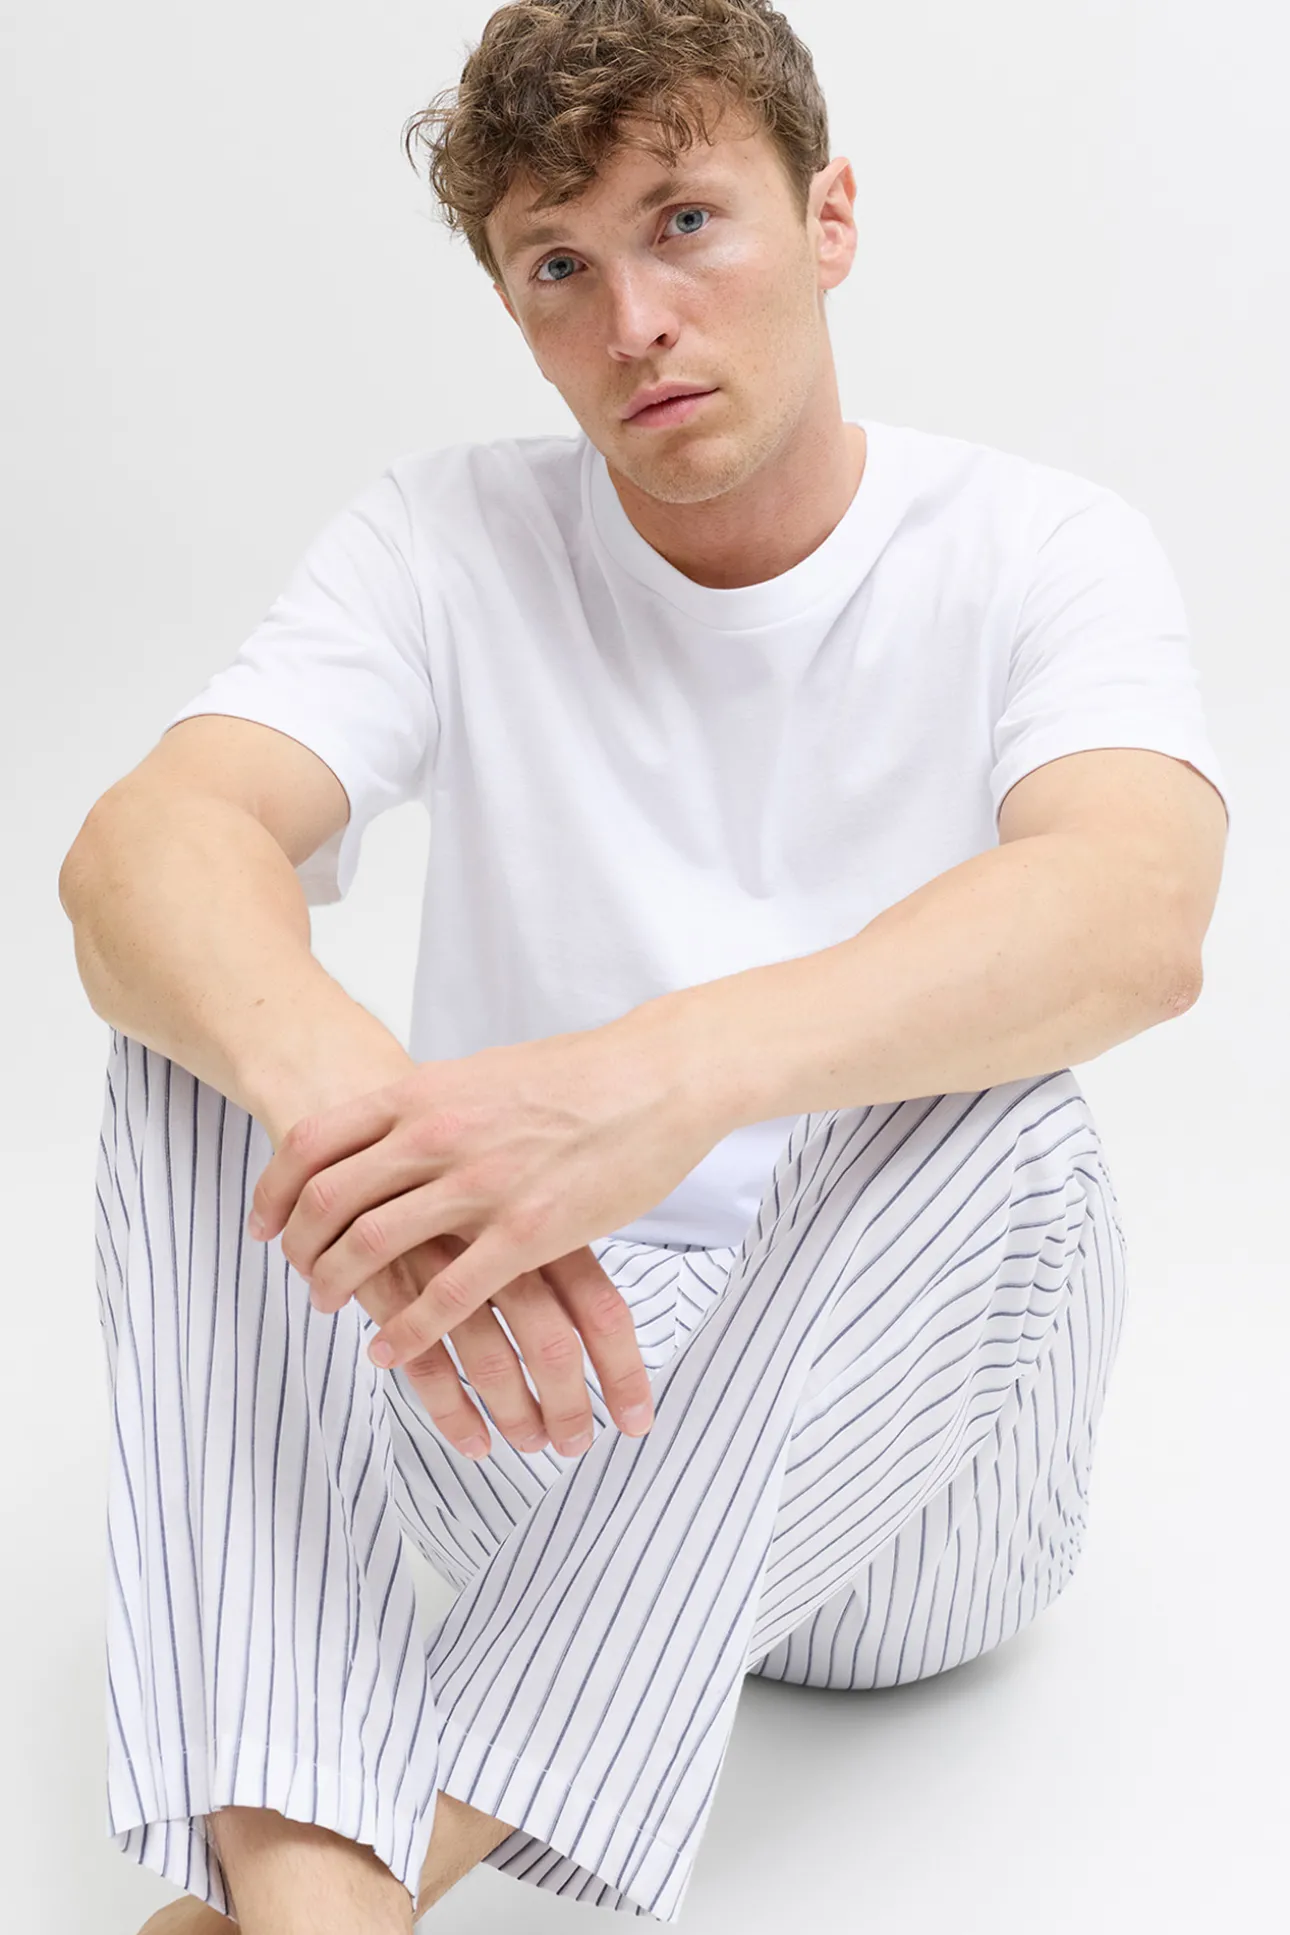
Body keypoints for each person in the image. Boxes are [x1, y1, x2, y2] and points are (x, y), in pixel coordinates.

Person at [59, 2, 1230, 1931]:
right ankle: (311, 1886)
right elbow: (140, 852)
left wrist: (651, 1081)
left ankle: (337, 1877)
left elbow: (1132, 910)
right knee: (196, 1025)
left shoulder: (1037, 546)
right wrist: (368, 1119)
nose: (634, 323)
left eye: (685, 222)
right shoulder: (442, 534)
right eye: (558, 267)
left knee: (1005, 1115)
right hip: (526, 1396)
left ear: (827, 217)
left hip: (911, 1492)